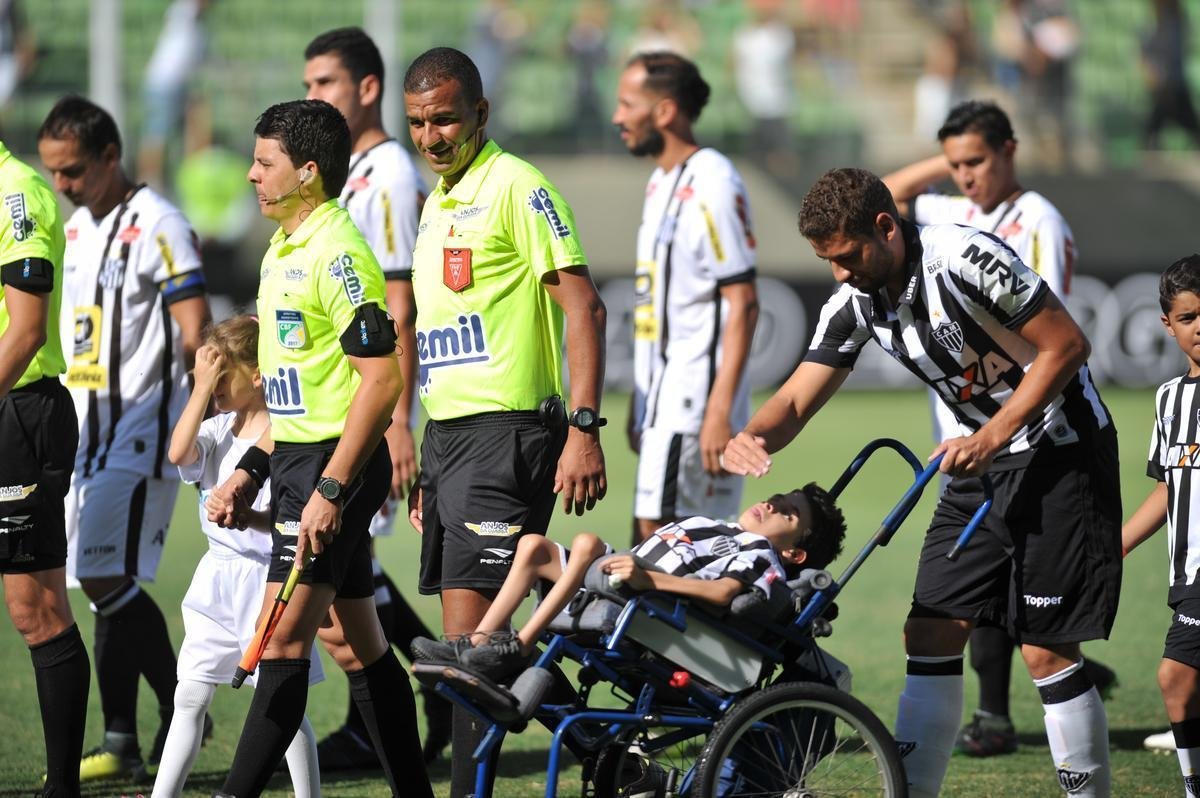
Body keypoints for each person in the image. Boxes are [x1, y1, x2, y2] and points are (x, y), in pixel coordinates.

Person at [723, 167, 1121, 797]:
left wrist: (992, 436)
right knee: (929, 630)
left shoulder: (965, 257)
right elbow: (797, 399)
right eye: (826, 261)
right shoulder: (852, 300)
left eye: (847, 256)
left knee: (1045, 651)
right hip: (975, 468)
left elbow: (1067, 346)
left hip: (1059, 456)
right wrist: (754, 435)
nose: (840, 273)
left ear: (886, 228)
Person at [203, 99, 432, 798]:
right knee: (359, 645)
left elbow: (382, 379)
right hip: (301, 463)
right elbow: (289, 391)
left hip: (335, 468)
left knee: (280, 645)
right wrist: (251, 471)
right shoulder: (283, 250)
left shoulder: (338, 252)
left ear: (306, 173)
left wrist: (331, 489)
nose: (250, 175)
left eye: (264, 163)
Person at [883, 98, 1117, 758]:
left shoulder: (1035, 220)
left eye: (977, 160)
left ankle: (1000, 711)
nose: (965, 177)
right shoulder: (954, 209)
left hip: (1031, 429)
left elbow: (1047, 324)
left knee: (1008, 589)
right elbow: (884, 198)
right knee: (975, 587)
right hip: (965, 431)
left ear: (1011, 150)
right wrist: (952, 155)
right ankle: (1005, 705)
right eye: (955, 164)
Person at [402, 46, 608, 798]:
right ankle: (615, 760)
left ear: (481, 114)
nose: (432, 136)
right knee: (475, 652)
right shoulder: (438, 201)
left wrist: (583, 428)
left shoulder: (519, 186)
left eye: (446, 118)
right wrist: (428, 461)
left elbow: (584, 307)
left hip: (510, 434)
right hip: (451, 440)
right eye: (419, 122)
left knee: (469, 650)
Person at [37, 95, 211, 782]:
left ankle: (178, 716)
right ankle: (124, 738)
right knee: (100, 581)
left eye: (74, 170)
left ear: (111, 156)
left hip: (142, 436)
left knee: (103, 575)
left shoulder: (160, 223)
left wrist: (201, 423)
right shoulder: (78, 230)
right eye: (52, 172)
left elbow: (196, 331)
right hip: (84, 437)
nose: (63, 185)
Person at [300, 25, 451, 769]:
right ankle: (436, 683)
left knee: (334, 566)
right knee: (347, 565)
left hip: (371, 401)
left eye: (324, 83)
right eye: (307, 84)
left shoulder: (389, 173)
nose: (312, 97)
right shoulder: (354, 172)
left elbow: (400, 301)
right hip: (343, 396)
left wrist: (398, 421)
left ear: (366, 88)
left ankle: (387, 712)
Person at [412, 484, 845, 681]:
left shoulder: (760, 555)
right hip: (623, 588)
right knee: (532, 547)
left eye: (788, 513)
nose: (773, 503)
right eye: (781, 497)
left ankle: (517, 646)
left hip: (650, 608)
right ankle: (480, 642)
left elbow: (723, 593)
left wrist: (650, 580)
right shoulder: (716, 525)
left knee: (584, 543)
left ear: (795, 554)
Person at [151, 316, 321, 798]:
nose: (215, 387)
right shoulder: (217, 428)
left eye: (223, 376)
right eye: (209, 376)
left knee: (280, 703)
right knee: (190, 693)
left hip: (264, 581)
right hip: (216, 579)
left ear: (258, 374)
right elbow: (178, 453)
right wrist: (202, 388)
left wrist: (253, 520)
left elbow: (288, 518)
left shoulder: (286, 436)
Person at [612, 51, 759, 544]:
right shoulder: (661, 182)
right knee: (651, 543)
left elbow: (743, 300)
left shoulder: (712, 181)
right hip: (663, 400)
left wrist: (719, 411)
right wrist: (642, 398)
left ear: (664, 111)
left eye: (627, 104)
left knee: (668, 544)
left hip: (694, 400)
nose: (617, 117)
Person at [0, 137, 89, 797]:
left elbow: (26, 330)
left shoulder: (16, 193)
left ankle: (62, 786)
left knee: (35, 608)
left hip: (19, 410)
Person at [1123, 254, 1200, 794]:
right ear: (1167, 325)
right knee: (1181, 682)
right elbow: (1167, 489)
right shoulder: (1170, 400)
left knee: (1175, 676)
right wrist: (1115, 545)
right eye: (1189, 317)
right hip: (1188, 573)